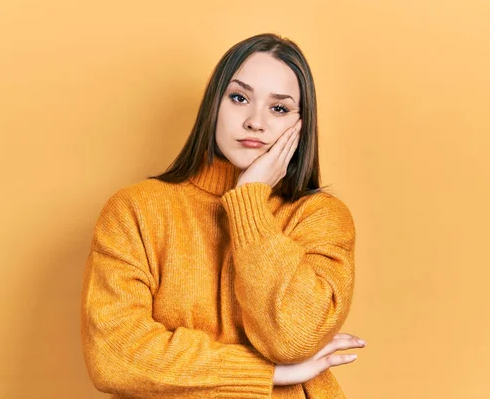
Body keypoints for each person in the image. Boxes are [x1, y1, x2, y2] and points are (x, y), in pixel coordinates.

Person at [80, 32, 365, 398]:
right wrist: (269, 374)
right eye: (239, 98)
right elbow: (113, 356)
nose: (255, 122)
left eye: (279, 108)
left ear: (301, 123)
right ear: (213, 105)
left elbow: (292, 338)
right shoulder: (134, 210)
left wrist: (249, 199)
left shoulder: (320, 217)